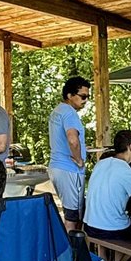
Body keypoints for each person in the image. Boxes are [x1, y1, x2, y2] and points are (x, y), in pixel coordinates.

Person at [83, 129, 131, 261]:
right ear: (130, 146)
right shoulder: (129, 173)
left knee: (108, 215)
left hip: (89, 225)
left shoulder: (101, 163)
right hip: (109, 230)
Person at [47, 76, 90, 232]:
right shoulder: (70, 113)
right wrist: (79, 159)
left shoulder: (57, 111)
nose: (86, 100)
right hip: (70, 169)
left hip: (56, 166)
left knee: (69, 212)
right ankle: (72, 254)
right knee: (73, 217)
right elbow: (73, 140)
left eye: (88, 97)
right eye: (83, 96)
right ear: (70, 95)